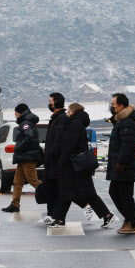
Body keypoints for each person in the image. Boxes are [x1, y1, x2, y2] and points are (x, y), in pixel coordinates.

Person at [48, 103, 116, 229]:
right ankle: (59, 219)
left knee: (85, 193)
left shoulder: (74, 124)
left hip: (74, 165)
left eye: (68, 112)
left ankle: (107, 214)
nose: (67, 114)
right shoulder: (76, 123)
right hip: (74, 165)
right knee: (66, 191)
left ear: (73, 111)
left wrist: (61, 162)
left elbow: (69, 145)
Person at [39, 93, 92, 224]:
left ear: (56, 103)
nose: (49, 104)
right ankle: (53, 216)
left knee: (63, 190)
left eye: (51, 102)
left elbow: (59, 142)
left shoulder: (62, 119)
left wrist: (52, 155)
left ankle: (83, 206)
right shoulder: (56, 118)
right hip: (54, 160)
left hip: (57, 161)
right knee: (55, 189)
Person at [107, 93, 135, 234]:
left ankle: (133, 223)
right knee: (114, 192)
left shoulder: (127, 122)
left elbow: (127, 145)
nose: (111, 107)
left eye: (113, 105)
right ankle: (128, 219)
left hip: (125, 166)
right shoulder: (121, 121)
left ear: (121, 106)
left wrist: (121, 163)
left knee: (125, 195)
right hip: (120, 165)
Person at [1, 104, 43, 213]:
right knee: (17, 182)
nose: (15, 114)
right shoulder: (26, 122)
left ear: (20, 112)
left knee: (33, 180)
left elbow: (29, 137)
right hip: (24, 157)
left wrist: (19, 148)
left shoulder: (26, 123)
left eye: (15, 112)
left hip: (28, 157)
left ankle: (52, 196)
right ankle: (15, 204)